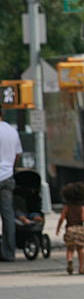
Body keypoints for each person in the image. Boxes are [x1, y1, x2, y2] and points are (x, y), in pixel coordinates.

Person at [55, 182, 84, 275]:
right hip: (79, 230)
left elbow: (61, 218)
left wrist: (58, 228)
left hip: (69, 229)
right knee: (80, 249)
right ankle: (81, 267)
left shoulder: (67, 207)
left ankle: (70, 259)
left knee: (70, 249)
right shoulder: (82, 207)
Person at [0, 110, 22, 262]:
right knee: (8, 215)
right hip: (7, 176)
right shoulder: (12, 131)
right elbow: (17, 154)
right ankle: (8, 252)